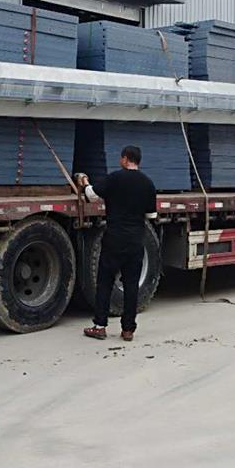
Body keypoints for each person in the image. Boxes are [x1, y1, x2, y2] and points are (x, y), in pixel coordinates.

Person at [75, 145, 157, 342]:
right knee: (131, 285)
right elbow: (151, 215)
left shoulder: (115, 178)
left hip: (114, 238)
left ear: (125, 159)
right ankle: (128, 330)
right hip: (135, 240)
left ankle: (100, 326)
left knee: (105, 282)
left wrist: (84, 182)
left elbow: (91, 196)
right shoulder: (148, 183)